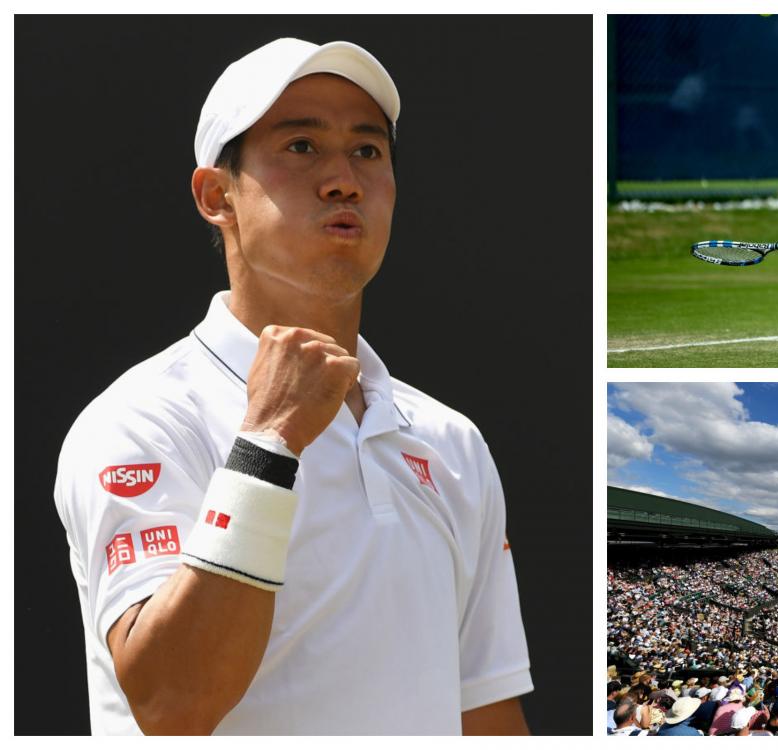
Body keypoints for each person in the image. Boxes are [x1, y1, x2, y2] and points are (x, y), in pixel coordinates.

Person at [52, 38, 532, 735]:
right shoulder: (140, 419)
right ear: (218, 196)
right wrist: (268, 445)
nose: (344, 179)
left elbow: (484, 709)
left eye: (368, 151)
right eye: (302, 146)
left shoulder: (452, 441)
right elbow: (170, 703)